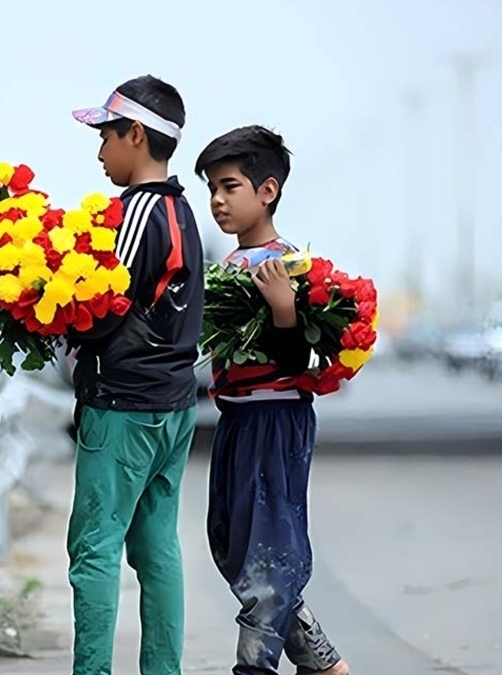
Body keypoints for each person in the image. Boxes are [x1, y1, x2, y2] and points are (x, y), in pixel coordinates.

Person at [193, 125, 350, 675]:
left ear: (268, 191)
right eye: (211, 188)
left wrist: (284, 308)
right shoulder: (224, 271)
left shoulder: (297, 269)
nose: (217, 200)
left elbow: (302, 362)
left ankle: (252, 669)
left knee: (273, 552)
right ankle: (325, 666)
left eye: (229, 186)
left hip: (277, 420)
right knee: (231, 545)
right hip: (235, 422)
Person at [65, 74, 204, 675]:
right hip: (174, 406)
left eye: (105, 137)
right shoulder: (182, 210)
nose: (99, 153)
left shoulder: (135, 211)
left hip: (122, 408)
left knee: (93, 551)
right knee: (157, 550)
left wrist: (50, 310)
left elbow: (98, 305)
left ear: (137, 134)